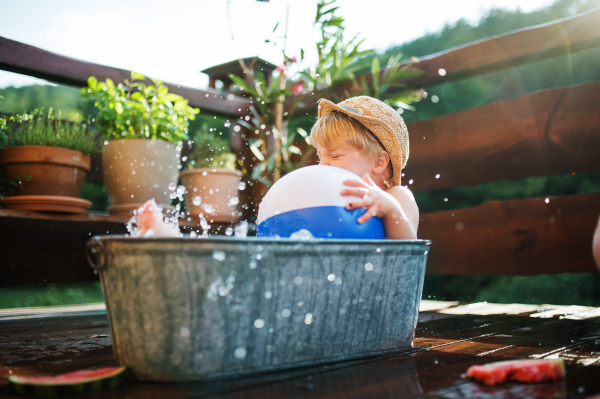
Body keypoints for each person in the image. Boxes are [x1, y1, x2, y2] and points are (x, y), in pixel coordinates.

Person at [309, 96, 419, 239]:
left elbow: (409, 251)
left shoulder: (397, 196)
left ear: (378, 162)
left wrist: (391, 210)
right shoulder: (332, 197)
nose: (321, 165)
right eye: (320, 157)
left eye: (335, 156)